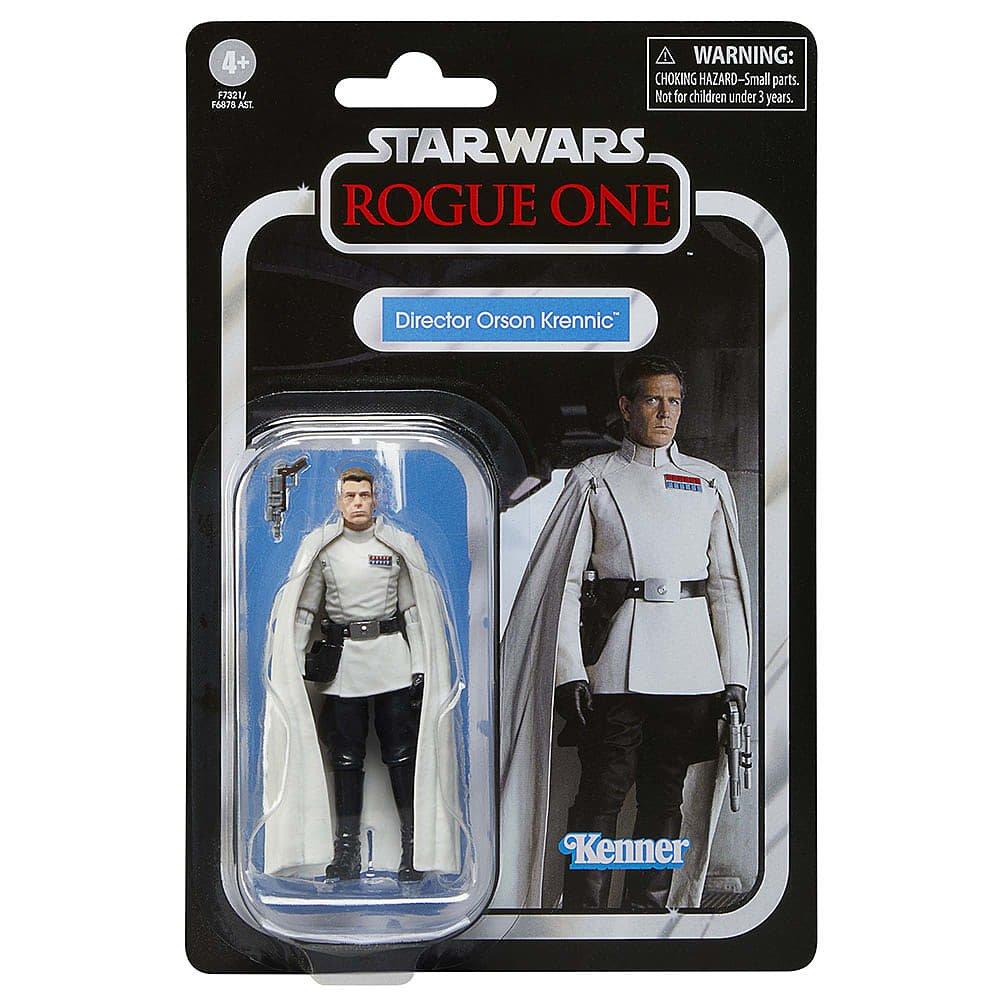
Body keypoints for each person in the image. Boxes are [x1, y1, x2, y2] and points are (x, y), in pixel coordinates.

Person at [497, 355, 753, 911]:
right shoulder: (594, 477)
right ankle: (583, 909)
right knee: (600, 794)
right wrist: (568, 671)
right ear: (626, 406)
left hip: (691, 668)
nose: (665, 413)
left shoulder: (709, 481)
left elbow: (726, 587)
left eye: (674, 401)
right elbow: (562, 584)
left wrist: (735, 676)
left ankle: (647, 908)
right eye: (653, 400)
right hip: (615, 665)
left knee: (665, 797)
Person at [261, 466, 460, 884]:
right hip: (345, 665)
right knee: (345, 758)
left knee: (401, 755)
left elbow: (413, 612)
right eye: (350, 496)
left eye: (364, 495)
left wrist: (421, 666)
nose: (357, 503)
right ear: (339, 501)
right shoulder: (324, 550)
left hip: (391, 662)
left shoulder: (396, 547)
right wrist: (291, 660)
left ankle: (412, 849)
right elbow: (304, 610)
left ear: (375, 499)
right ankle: (346, 850)